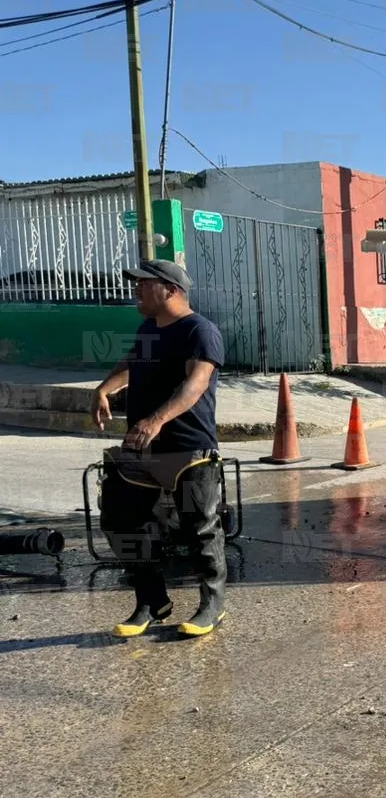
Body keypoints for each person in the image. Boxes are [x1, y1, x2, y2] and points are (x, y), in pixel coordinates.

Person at [92, 259, 228, 638]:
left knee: (199, 528)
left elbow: (196, 384)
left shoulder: (200, 331)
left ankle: (212, 604)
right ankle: (152, 601)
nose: (135, 290)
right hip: (141, 448)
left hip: (188, 448)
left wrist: (156, 420)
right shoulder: (149, 328)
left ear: (170, 289)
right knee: (120, 522)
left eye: (143, 283)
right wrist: (105, 387)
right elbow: (133, 363)